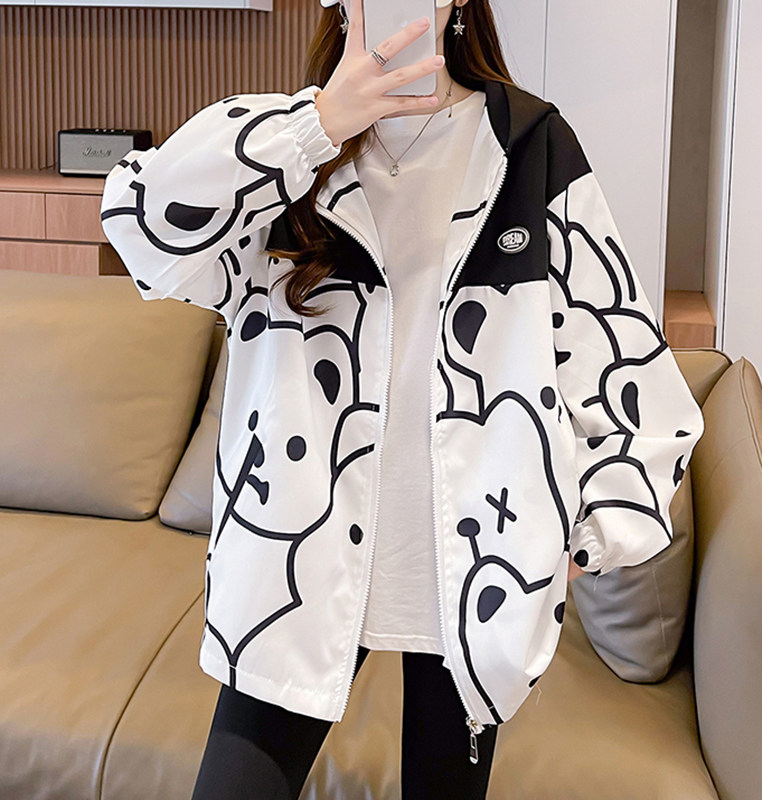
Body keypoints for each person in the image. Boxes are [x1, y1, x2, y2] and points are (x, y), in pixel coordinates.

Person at [99, 0, 706, 797]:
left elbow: (632, 375)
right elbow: (140, 228)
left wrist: (581, 537)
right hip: (296, 563)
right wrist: (318, 125)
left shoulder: (529, 147)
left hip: (473, 572)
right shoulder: (278, 150)